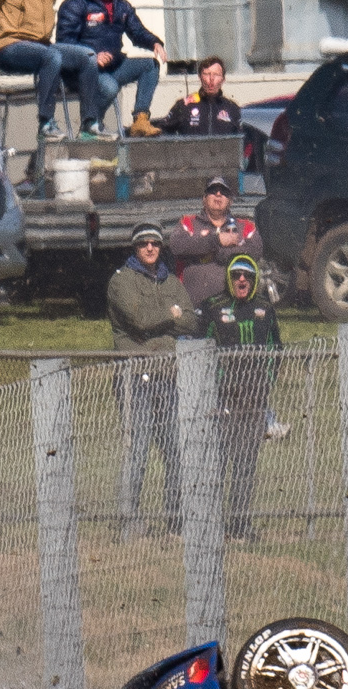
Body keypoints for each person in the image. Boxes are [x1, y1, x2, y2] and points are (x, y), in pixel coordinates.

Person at [108, 221, 196, 532]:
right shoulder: (121, 281)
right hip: (135, 376)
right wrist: (171, 314)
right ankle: (128, 521)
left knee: (175, 448)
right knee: (138, 449)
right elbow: (139, 319)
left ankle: (175, 519)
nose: (150, 248)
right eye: (144, 243)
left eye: (155, 243)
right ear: (134, 247)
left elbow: (191, 321)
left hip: (168, 375)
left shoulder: (171, 280)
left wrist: (167, 319)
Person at [198, 253, 279, 540]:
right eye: (236, 275)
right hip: (224, 399)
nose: (241, 280)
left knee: (246, 464)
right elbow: (201, 348)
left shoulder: (265, 308)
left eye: (247, 275)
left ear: (254, 279)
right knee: (218, 462)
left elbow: (275, 348)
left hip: (254, 398)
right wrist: (214, 386)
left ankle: (240, 525)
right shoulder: (213, 307)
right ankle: (210, 524)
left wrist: (266, 381)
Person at [0, 0, 100, 144]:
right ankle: (46, 124)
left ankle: (89, 124)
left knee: (88, 56)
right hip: (9, 45)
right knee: (52, 57)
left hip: (42, 46)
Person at [58, 0, 167, 138]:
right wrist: (91, 56)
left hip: (112, 66)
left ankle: (140, 119)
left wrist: (154, 42)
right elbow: (65, 43)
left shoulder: (121, 6)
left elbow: (137, 31)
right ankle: (89, 126)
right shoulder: (75, 5)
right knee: (109, 87)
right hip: (81, 71)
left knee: (150, 65)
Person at [170, 176, 262, 304]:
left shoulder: (245, 226)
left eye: (223, 192)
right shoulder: (188, 223)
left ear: (230, 201)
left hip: (234, 305)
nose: (218, 194)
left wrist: (224, 254)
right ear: (204, 198)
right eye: (213, 191)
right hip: (194, 303)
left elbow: (256, 250)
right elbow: (177, 246)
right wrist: (216, 240)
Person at [157, 56, 242, 136]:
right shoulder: (184, 105)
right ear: (200, 77)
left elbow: (241, 138)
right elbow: (162, 131)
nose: (211, 79)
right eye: (207, 74)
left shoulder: (232, 108)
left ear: (223, 79)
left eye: (216, 74)